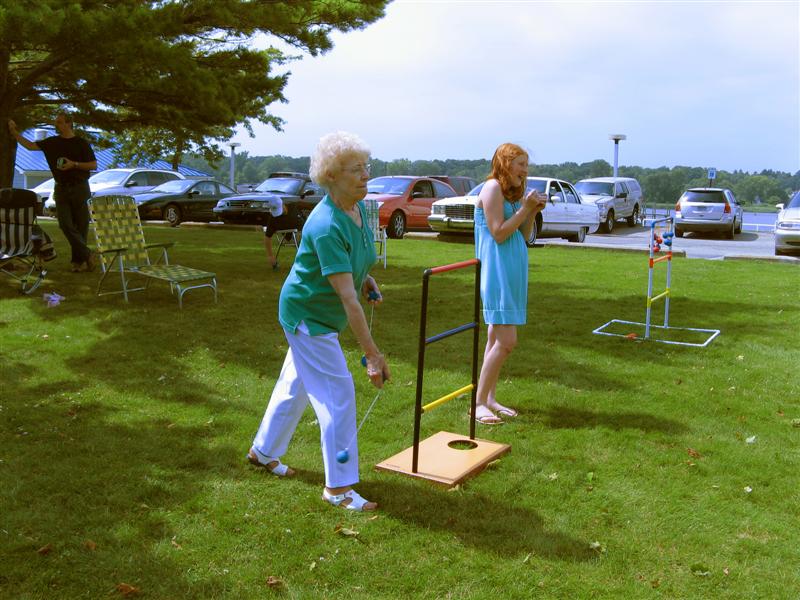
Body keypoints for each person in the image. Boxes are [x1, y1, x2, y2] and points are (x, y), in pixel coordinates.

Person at [248, 131, 390, 512]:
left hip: (315, 311)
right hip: (308, 316)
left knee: (294, 384)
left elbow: (352, 264)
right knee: (338, 393)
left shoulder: (356, 210)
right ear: (330, 175)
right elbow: (346, 298)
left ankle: (262, 452)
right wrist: (372, 355)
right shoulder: (326, 223)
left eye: (366, 168)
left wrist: (367, 279)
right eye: (355, 170)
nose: (364, 176)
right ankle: (339, 489)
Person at [473, 143, 546, 424]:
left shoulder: (512, 194)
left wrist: (532, 212)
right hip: (497, 272)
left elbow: (524, 235)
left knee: (495, 337)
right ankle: (478, 403)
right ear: (505, 164)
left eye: (526, 165)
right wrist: (523, 208)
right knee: (507, 341)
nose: (525, 171)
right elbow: (498, 233)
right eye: (520, 164)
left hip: (513, 271)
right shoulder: (491, 188)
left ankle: (489, 398)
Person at [8, 113, 98, 272]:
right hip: (61, 188)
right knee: (64, 224)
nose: (56, 125)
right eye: (56, 122)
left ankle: (78, 263)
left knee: (81, 225)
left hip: (80, 187)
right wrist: (15, 133)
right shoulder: (52, 142)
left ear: (69, 124)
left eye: (60, 122)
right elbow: (30, 146)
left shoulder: (81, 143)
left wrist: (74, 164)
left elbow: (93, 165)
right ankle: (87, 254)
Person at [263, 200, 303, 270]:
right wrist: (270, 256)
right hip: (290, 236)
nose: (279, 214)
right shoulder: (273, 217)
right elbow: (267, 237)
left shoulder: (293, 207)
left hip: (303, 232)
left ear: (283, 204)